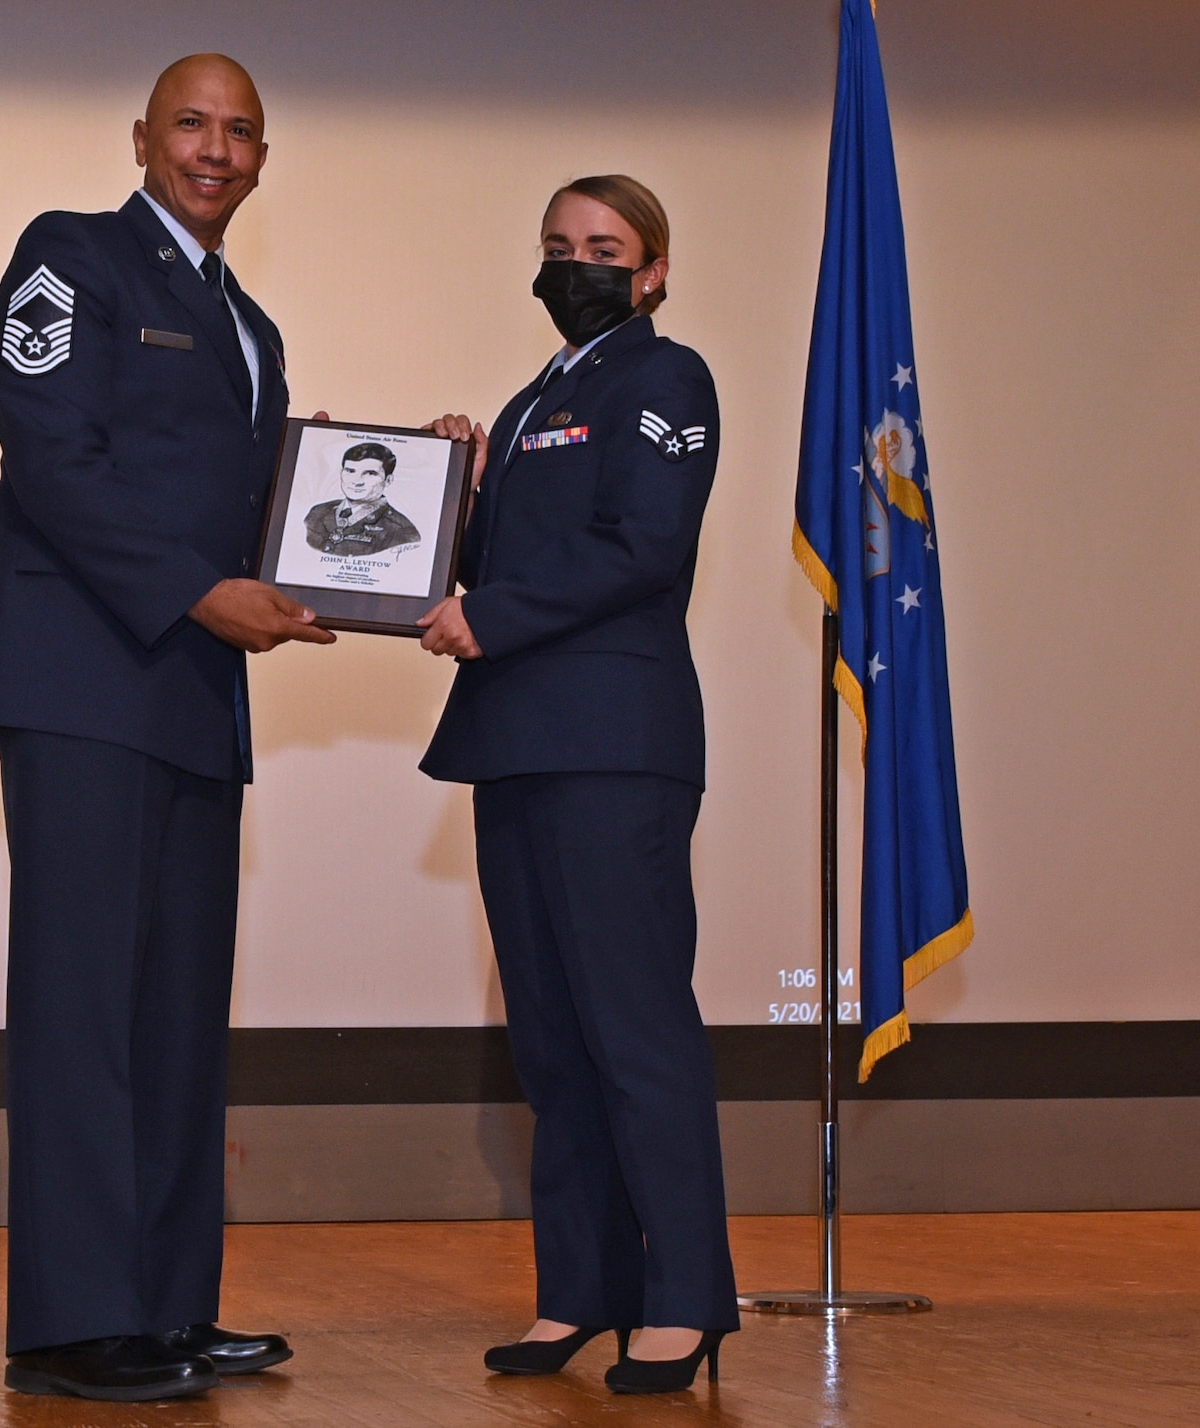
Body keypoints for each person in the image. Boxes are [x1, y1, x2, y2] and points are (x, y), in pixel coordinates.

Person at [0, 54, 334, 1403]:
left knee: (175, 1015)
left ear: (262, 155)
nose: (216, 150)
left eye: (241, 131)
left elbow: (261, 501)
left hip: (189, 692)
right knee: (83, 1008)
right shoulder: (72, 257)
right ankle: (71, 1323)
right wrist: (196, 589)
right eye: (192, 124)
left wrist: (387, 502)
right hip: (80, 679)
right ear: (142, 138)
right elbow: (47, 453)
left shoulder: (251, 327)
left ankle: (168, 1306)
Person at [416, 174, 739, 1394]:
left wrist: (489, 612)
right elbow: (500, 564)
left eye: (603, 248)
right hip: (516, 744)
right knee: (550, 1040)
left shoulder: (667, 379)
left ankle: (683, 1299)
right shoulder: (535, 396)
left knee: (634, 1028)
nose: (576, 266)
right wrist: (455, 489)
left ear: (652, 271)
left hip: (613, 744)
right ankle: (579, 1293)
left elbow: (643, 546)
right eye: (557, 246)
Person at [304, 441, 421, 556]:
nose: (357, 481)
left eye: (370, 473)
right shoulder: (318, 512)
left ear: (388, 480)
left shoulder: (401, 530)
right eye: (350, 471)